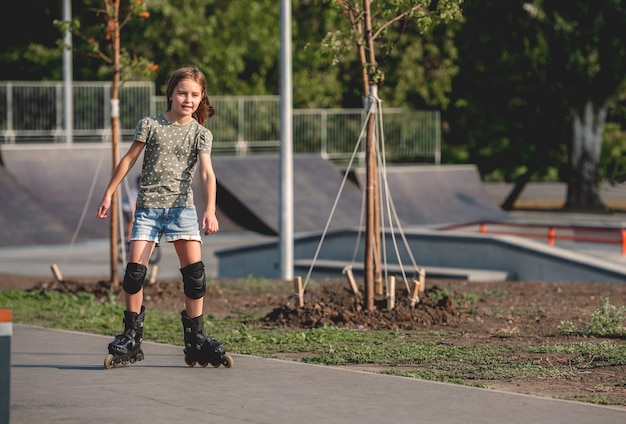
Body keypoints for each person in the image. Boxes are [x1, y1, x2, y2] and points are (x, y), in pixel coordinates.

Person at [97, 65, 232, 369]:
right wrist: (109, 193)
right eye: (182, 92)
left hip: (182, 210)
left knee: (195, 278)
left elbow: (208, 174)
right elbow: (129, 159)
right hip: (147, 209)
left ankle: (196, 339)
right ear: (170, 93)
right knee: (134, 274)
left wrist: (210, 209)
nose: (188, 99)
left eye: (195, 95)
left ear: (201, 98)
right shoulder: (151, 125)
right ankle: (131, 338)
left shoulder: (201, 133)